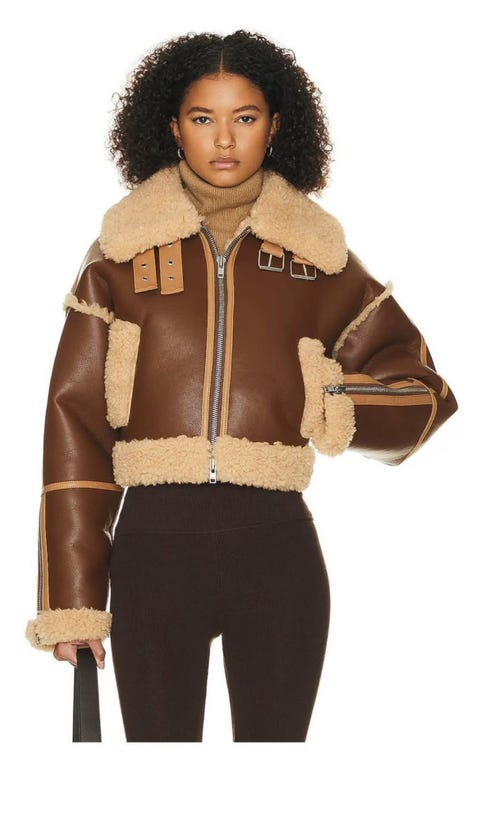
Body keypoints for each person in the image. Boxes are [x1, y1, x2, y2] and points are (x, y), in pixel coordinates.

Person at [25, 30, 458, 742]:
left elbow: (424, 391)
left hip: (278, 554)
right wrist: (72, 602)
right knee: (162, 787)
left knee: (275, 784)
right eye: (203, 117)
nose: (224, 138)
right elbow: (74, 423)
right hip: (152, 555)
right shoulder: (118, 257)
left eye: (245, 116)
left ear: (275, 125)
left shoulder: (318, 257)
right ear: (173, 126)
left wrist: (336, 402)